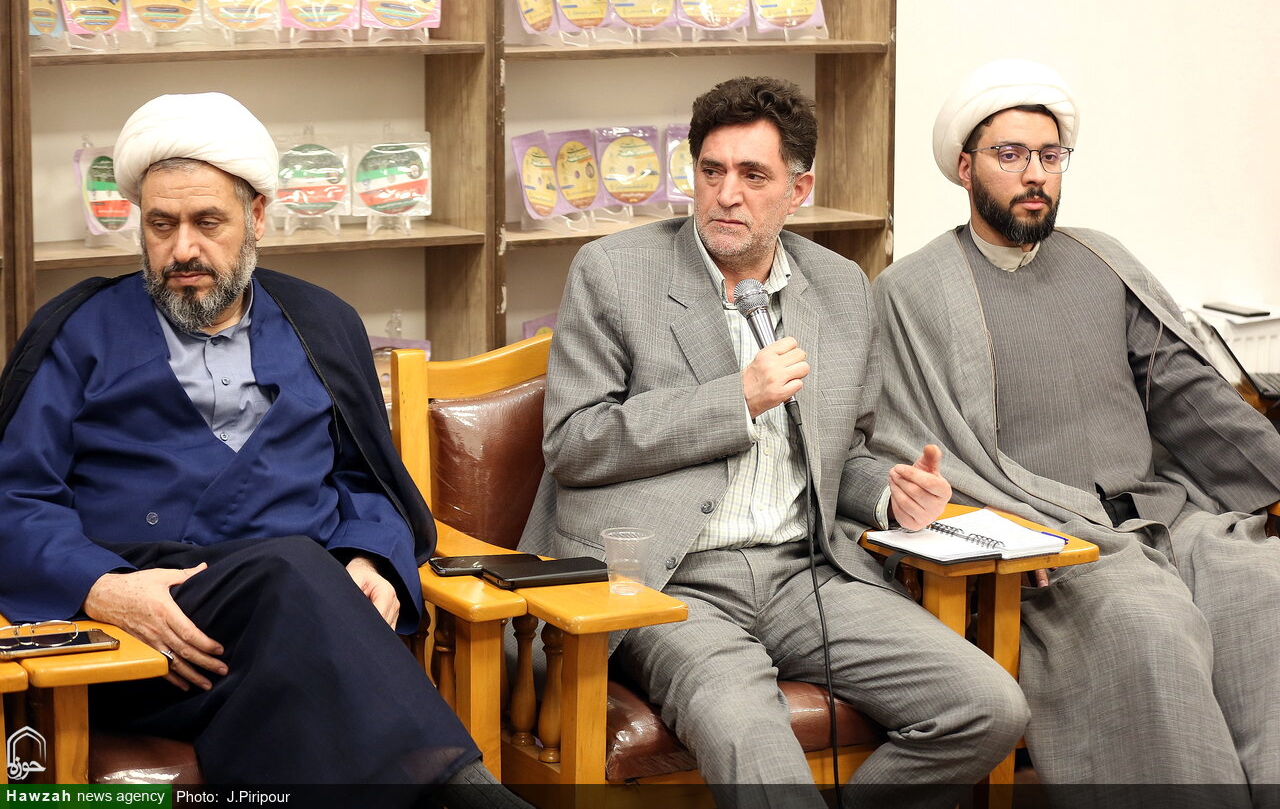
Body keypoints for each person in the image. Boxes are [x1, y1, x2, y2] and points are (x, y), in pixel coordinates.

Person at [520, 76, 1028, 808]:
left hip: (805, 573)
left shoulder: (841, 287)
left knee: (987, 707)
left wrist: (891, 498)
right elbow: (574, 441)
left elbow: (847, 451)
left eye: (753, 176)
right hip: (667, 581)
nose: (726, 195)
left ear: (798, 190)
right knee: (750, 733)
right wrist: (735, 399)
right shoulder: (613, 273)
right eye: (711, 171)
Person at [0, 92, 521, 800]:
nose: (183, 249)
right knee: (294, 570)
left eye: (207, 221)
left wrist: (369, 556)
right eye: (161, 225)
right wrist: (102, 587)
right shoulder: (79, 331)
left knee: (300, 600)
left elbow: (365, 479)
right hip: (148, 640)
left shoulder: (321, 323)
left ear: (257, 218)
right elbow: (16, 498)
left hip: (302, 630)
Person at [870, 59, 1280, 797]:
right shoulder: (912, 289)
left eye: (1050, 156)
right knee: (1150, 625)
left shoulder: (1101, 259)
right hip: (1058, 543)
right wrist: (998, 529)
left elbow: (1185, 392)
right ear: (965, 167)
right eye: (1010, 155)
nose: (1035, 175)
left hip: (1168, 516)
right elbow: (907, 446)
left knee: (1266, 586)